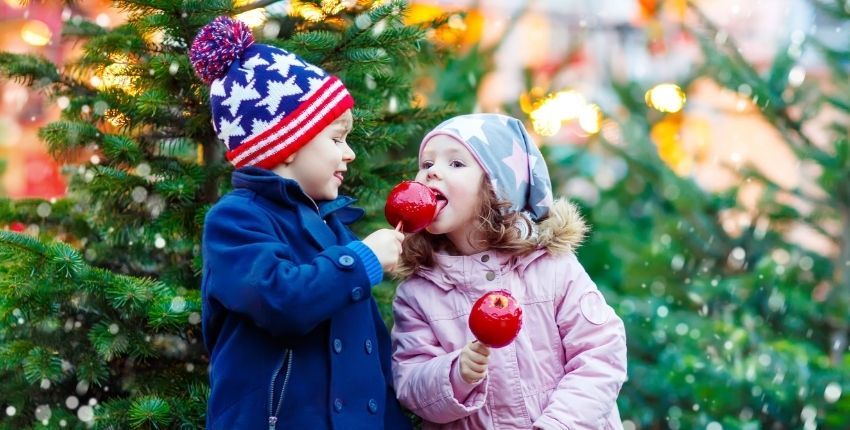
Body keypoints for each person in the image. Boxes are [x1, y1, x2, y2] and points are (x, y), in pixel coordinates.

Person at [190, 16, 411, 430]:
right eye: (336, 139)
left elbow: (371, 356)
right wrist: (362, 260)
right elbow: (282, 301)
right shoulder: (236, 219)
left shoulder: (332, 228)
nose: (350, 155)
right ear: (287, 145)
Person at [391, 113, 627, 429]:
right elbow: (410, 385)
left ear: (497, 187)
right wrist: (455, 374)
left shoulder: (551, 267)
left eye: (456, 164)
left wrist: (560, 424)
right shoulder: (419, 292)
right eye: (426, 164)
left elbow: (600, 354)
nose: (432, 172)